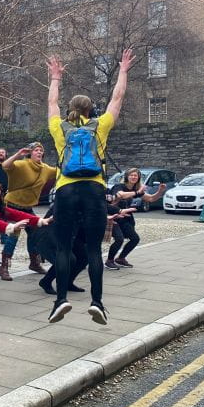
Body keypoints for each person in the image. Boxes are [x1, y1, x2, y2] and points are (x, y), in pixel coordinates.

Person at [47, 49, 136, 325]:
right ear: (89, 110)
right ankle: (97, 303)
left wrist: (55, 78)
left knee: (63, 248)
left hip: (65, 189)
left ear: (71, 109)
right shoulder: (100, 126)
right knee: (94, 249)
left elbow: (51, 103)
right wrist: (122, 71)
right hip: (94, 189)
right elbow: (117, 98)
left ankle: (61, 300)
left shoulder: (59, 127)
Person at [0, 142, 57, 279]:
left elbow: (60, 171)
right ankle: (4, 267)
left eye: (41, 150)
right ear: (30, 153)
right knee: (14, 235)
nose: (39, 152)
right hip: (12, 205)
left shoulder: (45, 168)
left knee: (35, 233)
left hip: (27, 207)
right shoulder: (22, 164)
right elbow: (5, 165)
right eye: (36, 150)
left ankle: (34, 263)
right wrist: (18, 154)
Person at [106, 167, 166, 270]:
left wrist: (160, 191)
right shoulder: (119, 186)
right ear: (127, 177)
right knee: (119, 239)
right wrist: (138, 193)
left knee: (135, 239)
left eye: (136, 175)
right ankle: (109, 260)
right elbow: (121, 195)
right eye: (131, 175)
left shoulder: (136, 189)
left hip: (125, 218)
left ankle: (120, 259)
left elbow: (151, 198)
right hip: (113, 216)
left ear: (138, 178)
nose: (134, 177)